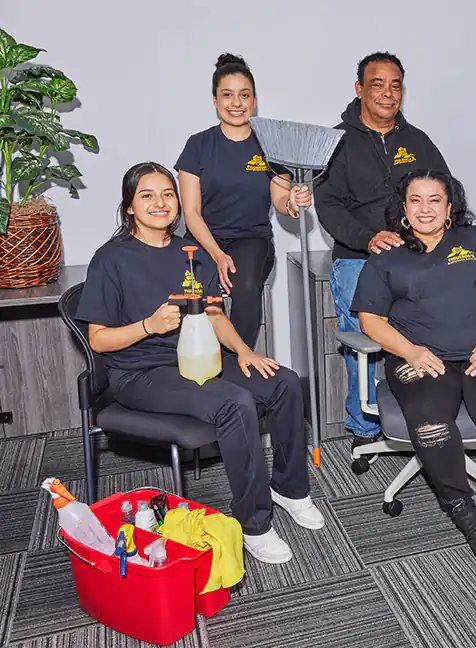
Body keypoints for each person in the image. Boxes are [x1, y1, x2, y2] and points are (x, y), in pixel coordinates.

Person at [76, 162, 324, 565]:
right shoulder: (110, 259)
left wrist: (244, 351)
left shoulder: (190, 252)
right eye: (147, 195)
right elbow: (98, 339)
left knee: (284, 381)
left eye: (168, 194)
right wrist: (147, 325)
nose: (160, 203)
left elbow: (214, 316)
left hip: (197, 356)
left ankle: (290, 489)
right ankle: (255, 524)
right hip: (140, 373)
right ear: (128, 208)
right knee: (235, 404)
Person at [351, 170, 476, 570]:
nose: (425, 209)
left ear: (450, 206)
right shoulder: (387, 255)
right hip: (420, 357)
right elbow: (370, 319)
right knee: (431, 424)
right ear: (403, 208)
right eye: (415, 200)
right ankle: (468, 517)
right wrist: (411, 351)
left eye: (434, 199)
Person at [315, 52, 449, 459]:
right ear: (359, 90)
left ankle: (421, 414)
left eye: (396, 85)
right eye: (378, 84)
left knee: (432, 326)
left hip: (413, 255)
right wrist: (369, 237)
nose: (388, 94)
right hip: (359, 256)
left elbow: (445, 191)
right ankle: (363, 426)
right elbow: (329, 207)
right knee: (367, 339)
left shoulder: (418, 141)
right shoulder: (337, 143)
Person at [176, 54, 310, 349]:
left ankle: (236, 361)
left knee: (245, 285)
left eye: (244, 95)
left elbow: (280, 199)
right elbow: (192, 213)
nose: (236, 103)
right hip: (203, 239)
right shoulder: (197, 145)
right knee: (196, 293)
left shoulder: (269, 144)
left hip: (251, 240)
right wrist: (216, 254)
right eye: (227, 95)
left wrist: (293, 201)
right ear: (214, 100)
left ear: (254, 100)